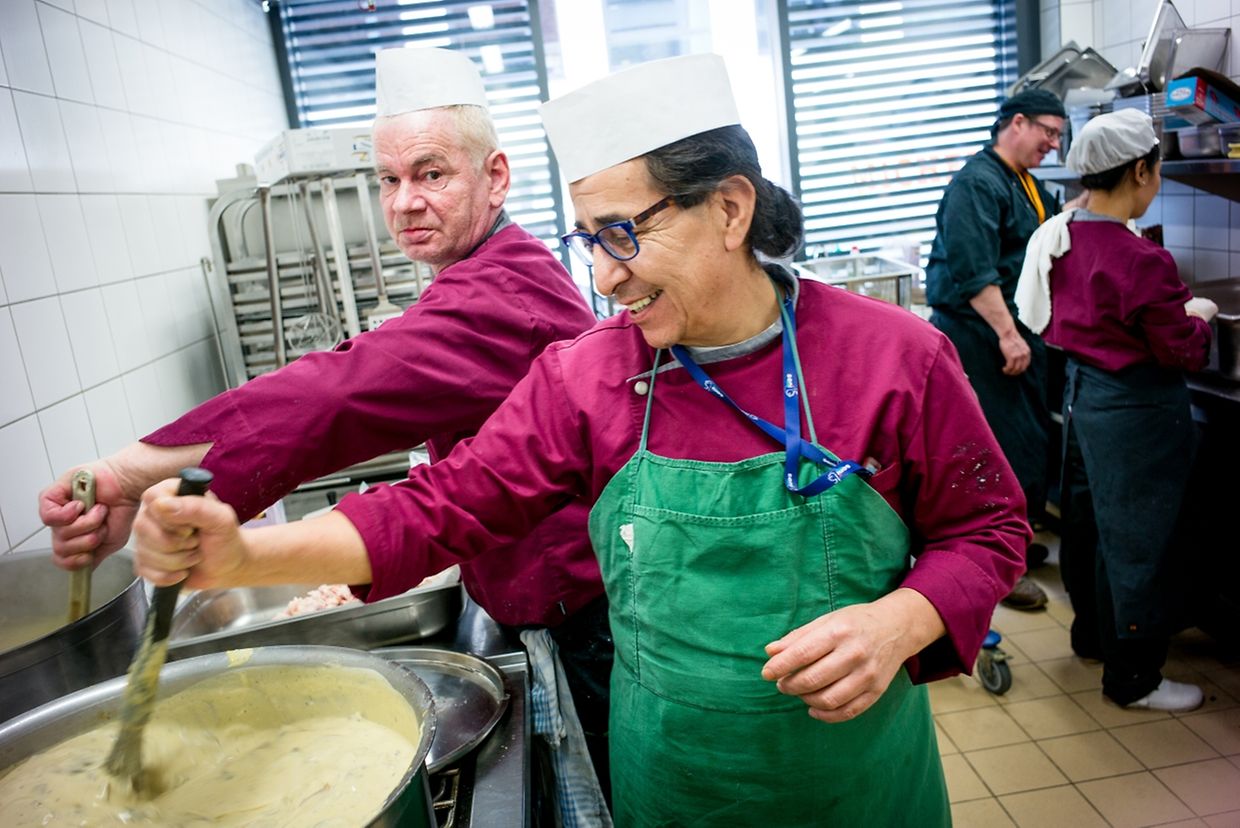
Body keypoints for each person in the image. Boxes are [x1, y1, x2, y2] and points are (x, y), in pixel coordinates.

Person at [132, 53, 1028, 825]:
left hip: (857, 784)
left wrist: (899, 622)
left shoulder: (896, 358)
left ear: (729, 208)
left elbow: (987, 530)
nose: (601, 276)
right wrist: (240, 555)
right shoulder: (587, 376)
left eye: (622, 235)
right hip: (672, 781)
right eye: (587, 237)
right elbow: (442, 507)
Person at [37, 47, 612, 820]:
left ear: (495, 177)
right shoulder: (483, 273)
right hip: (547, 604)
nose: (405, 201)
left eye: (432, 173)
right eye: (389, 179)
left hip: (582, 629)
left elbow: (343, 390)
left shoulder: (505, 291)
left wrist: (122, 473)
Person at [1015, 109, 1215, 712]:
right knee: (1139, 539)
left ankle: (1095, 640)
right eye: (1156, 171)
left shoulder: (1065, 234)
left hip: (1084, 400)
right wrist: (1199, 316)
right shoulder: (1140, 260)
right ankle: (1135, 679)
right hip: (1136, 412)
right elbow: (1180, 349)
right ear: (1139, 170)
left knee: (1092, 526)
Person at [924, 87, 1073, 611]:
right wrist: (1008, 335)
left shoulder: (1025, 183)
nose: (1054, 143)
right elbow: (974, 271)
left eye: (1059, 134)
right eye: (1048, 132)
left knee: (1030, 444)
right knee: (1001, 450)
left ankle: (1017, 543)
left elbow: (1047, 234)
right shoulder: (976, 183)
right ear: (1016, 123)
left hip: (1018, 333)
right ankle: (998, 569)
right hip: (984, 336)